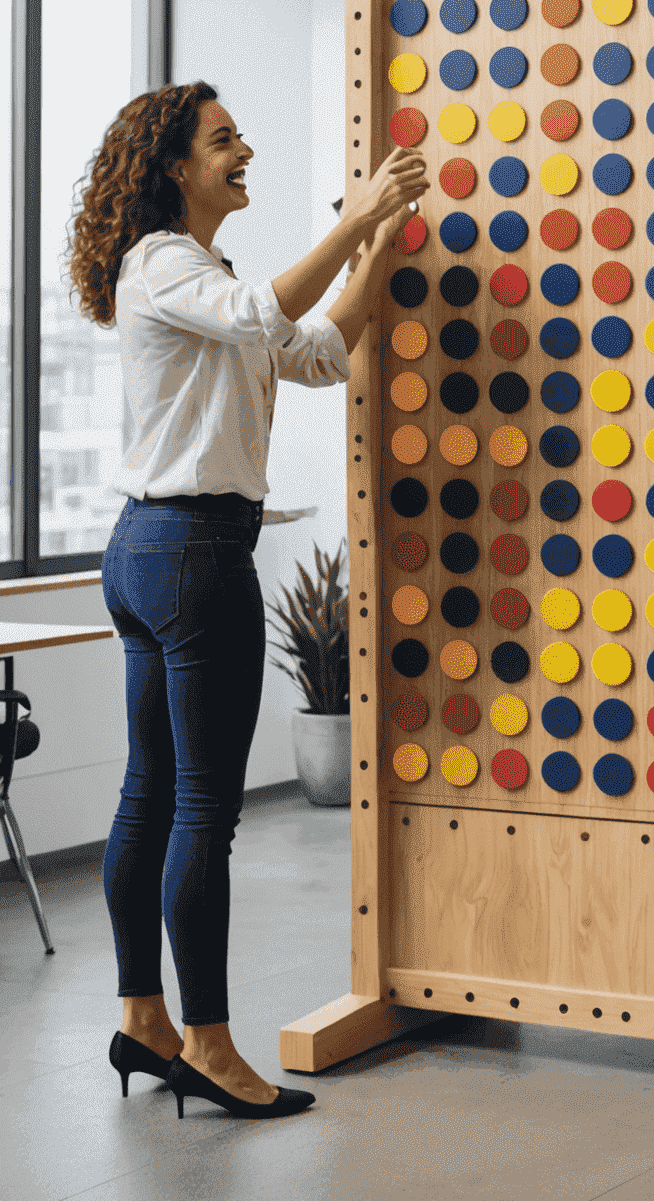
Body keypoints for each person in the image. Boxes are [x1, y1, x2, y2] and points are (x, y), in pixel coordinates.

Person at [66, 81, 427, 1118]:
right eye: (224, 140)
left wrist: (376, 248)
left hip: (149, 549)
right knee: (202, 811)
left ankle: (146, 1022)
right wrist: (356, 212)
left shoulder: (200, 271)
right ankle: (211, 1047)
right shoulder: (164, 264)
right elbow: (266, 313)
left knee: (149, 793)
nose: (244, 150)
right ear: (176, 165)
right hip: (190, 553)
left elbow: (315, 351)